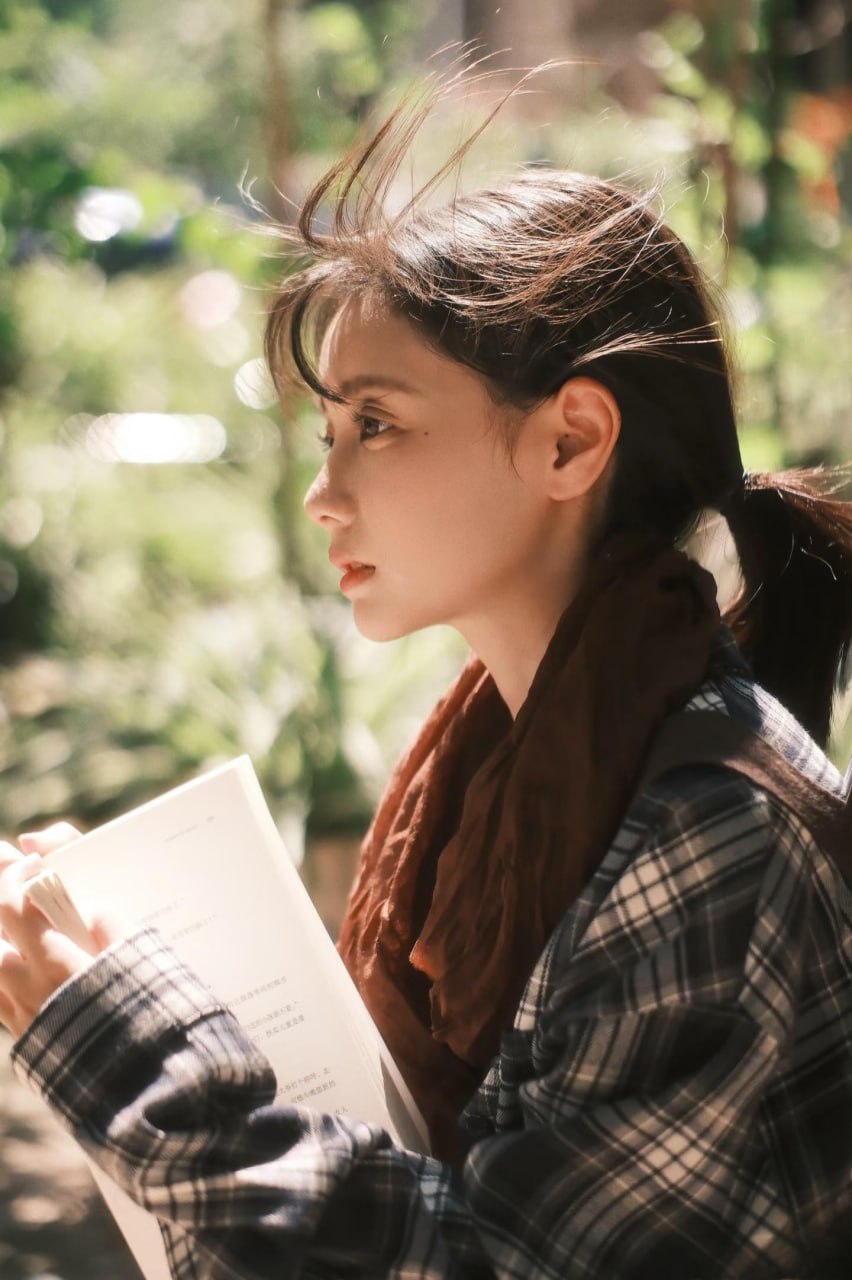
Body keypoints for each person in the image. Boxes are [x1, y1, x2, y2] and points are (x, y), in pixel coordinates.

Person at [1, 79, 851, 1279]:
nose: (324, 491)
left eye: (379, 424)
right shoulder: (504, 758)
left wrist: (139, 1056)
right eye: (327, 432)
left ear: (570, 441)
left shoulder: (715, 830)